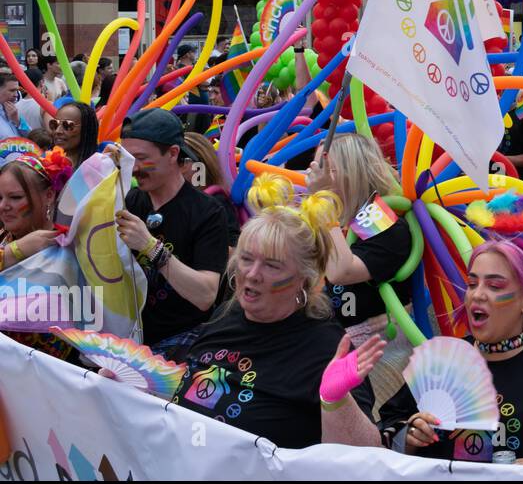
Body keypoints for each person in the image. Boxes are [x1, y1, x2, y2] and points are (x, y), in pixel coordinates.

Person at [106, 174, 386, 449]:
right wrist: (134, 385)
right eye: (246, 259)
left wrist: (335, 401)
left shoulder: (327, 349)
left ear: (305, 277)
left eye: (272, 265)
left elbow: (365, 458)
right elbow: (187, 392)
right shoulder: (225, 318)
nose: (252, 274)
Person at [393, 237, 523, 467]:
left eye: (494, 286)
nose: (477, 294)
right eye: (472, 283)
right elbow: (388, 427)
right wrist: (410, 435)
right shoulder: (440, 362)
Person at [306, 133, 414, 404]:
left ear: (350, 171)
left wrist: (322, 202)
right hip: (335, 338)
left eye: (325, 167)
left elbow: (342, 272)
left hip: (378, 351)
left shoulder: (381, 218)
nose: (316, 175)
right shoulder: (341, 219)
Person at [115, 109, 232, 356]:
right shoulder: (129, 200)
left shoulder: (209, 212)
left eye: (141, 158)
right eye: (127, 158)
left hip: (180, 344)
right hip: (124, 335)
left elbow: (206, 295)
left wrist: (151, 247)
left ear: (173, 154)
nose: (133, 168)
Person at [0, 145, 76, 359]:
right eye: (0, 198)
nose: (3, 206)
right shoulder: (4, 238)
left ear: (49, 195)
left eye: (15, 198)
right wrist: (13, 252)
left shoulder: (66, 249)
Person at [181, 131, 241, 250]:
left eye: (181, 161)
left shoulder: (216, 200)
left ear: (200, 164)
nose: (173, 166)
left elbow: (233, 246)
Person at [45, 101, 99, 170]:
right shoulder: (43, 162)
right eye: (55, 124)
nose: (58, 131)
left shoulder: (97, 170)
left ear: (86, 129)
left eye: (67, 125)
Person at [0, 72, 25, 139]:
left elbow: (31, 136)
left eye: (17, 90)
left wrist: (17, 121)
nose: (16, 95)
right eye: (12, 90)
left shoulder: (14, 111)